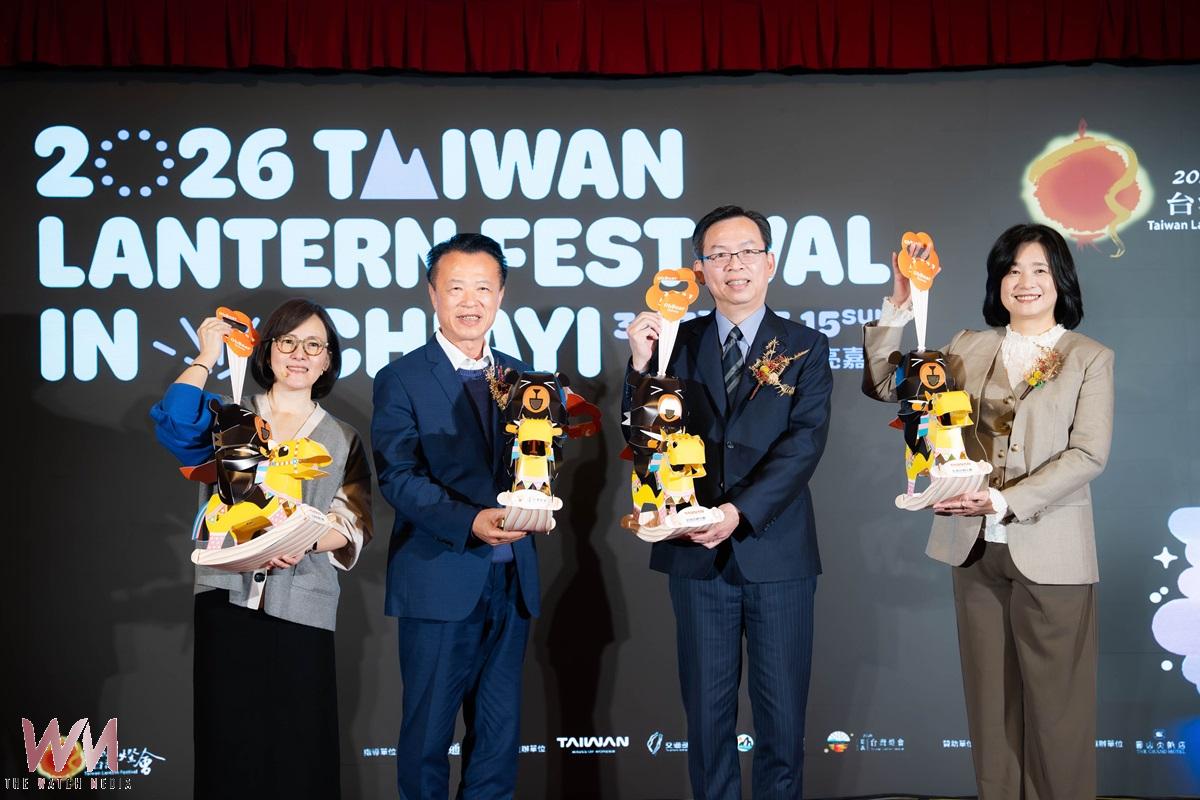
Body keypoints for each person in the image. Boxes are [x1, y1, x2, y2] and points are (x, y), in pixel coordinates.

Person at [861, 223, 1114, 800]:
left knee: (1059, 714)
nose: (1025, 282)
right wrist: (899, 307)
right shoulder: (966, 347)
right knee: (990, 707)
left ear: (1061, 280)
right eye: (1012, 269)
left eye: (1039, 269)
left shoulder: (1089, 357)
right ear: (997, 281)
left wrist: (1003, 500)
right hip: (973, 549)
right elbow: (885, 386)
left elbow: (1088, 454)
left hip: (1053, 555)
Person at [624, 205, 832, 800]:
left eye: (746, 252)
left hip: (776, 551)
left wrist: (736, 513)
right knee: (707, 719)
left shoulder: (806, 346)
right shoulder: (674, 342)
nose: (733, 265)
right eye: (718, 255)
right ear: (699, 270)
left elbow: (804, 444)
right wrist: (640, 367)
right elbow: (641, 438)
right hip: (694, 553)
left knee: (782, 720)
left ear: (770, 262)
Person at [150, 298, 373, 800]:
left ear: (328, 360)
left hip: (304, 602)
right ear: (267, 351)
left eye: (314, 345)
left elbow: (353, 523)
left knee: (302, 750)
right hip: (226, 595)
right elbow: (175, 421)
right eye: (287, 341)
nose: (300, 354)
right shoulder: (230, 414)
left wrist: (298, 540)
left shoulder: (343, 437)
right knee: (227, 745)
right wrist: (207, 354)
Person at [372, 233, 538, 800]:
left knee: (498, 737)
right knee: (427, 736)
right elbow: (398, 476)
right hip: (440, 575)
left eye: (484, 288)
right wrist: (470, 522)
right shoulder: (402, 378)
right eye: (457, 288)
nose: (471, 302)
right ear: (433, 294)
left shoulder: (524, 378)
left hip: (513, 579)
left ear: (501, 295)